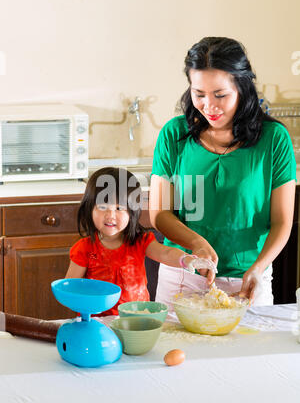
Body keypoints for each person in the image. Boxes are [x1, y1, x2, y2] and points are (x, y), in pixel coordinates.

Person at [149, 36, 296, 307]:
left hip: (249, 280)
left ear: (242, 87)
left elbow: (282, 222)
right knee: (175, 351)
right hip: (184, 276)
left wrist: (259, 268)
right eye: (199, 94)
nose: (209, 106)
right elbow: (159, 213)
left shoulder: (274, 139)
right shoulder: (174, 134)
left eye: (220, 95)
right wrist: (197, 244)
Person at [65, 166, 212, 315]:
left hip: (137, 319)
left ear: (132, 211)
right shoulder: (84, 248)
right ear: (89, 209)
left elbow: (166, 253)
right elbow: (70, 287)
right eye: (102, 207)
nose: (110, 215)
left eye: (119, 208)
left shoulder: (140, 241)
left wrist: (187, 260)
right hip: (97, 321)